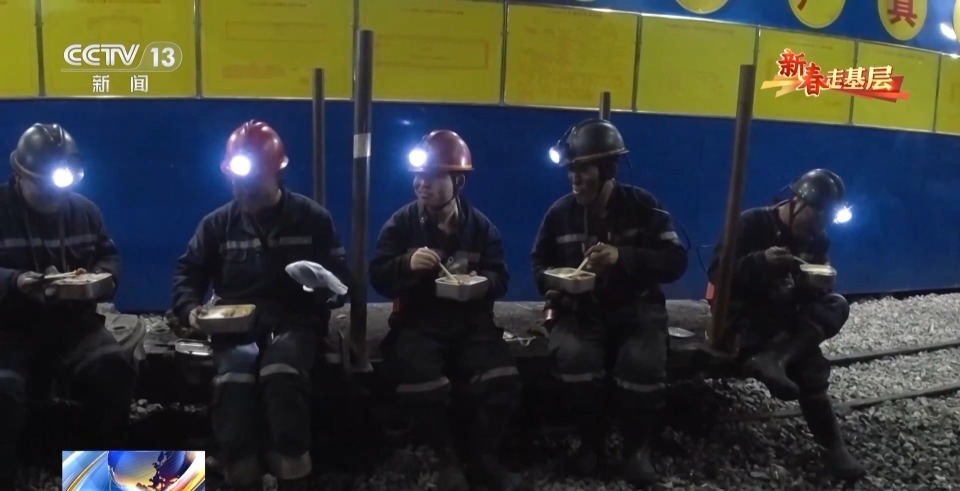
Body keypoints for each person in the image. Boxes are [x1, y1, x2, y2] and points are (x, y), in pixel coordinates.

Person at [171, 120, 351, 491]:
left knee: (282, 373)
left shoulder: (312, 219)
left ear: (276, 175)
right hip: (234, 324)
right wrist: (190, 310)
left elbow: (341, 284)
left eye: (252, 181)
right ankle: (242, 474)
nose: (242, 189)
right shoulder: (217, 225)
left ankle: (293, 475)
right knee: (233, 379)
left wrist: (324, 286)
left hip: (295, 320)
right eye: (236, 181)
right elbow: (188, 273)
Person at [531, 119, 688, 486]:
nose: (574, 178)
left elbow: (675, 261)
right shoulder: (560, 213)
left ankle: (636, 450)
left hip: (638, 311)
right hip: (580, 313)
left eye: (583, 169)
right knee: (574, 360)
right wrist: (555, 282)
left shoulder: (645, 208)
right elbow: (539, 266)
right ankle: (590, 443)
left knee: (642, 365)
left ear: (609, 169)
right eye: (571, 170)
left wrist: (622, 257)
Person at [370, 130, 522, 491]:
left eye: (433, 177)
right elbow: (378, 276)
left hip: (471, 322)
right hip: (417, 322)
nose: (422, 184)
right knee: (419, 377)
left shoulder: (481, 228)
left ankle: (484, 457)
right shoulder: (402, 224)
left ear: (458, 182)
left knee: (502, 376)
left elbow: (500, 278)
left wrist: (480, 284)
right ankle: (446, 459)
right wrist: (406, 265)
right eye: (418, 176)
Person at [707, 168, 865, 481]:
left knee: (837, 305)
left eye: (825, 221)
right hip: (744, 314)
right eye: (815, 218)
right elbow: (717, 273)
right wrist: (760, 262)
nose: (818, 228)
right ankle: (777, 358)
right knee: (810, 364)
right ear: (797, 203)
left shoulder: (817, 239)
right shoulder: (752, 223)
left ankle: (777, 359)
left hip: (784, 315)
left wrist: (816, 285)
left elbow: (810, 294)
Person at [0, 123, 133, 488]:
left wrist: (104, 279)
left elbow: (107, 255)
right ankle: (9, 475)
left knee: (113, 370)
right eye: (43, 186)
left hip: (73, 326)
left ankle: (99, 477)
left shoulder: (84, 212)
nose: (53, 195)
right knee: (4, 390)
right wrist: (14, 282)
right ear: (19, 175)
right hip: (9, 330)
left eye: (60, 185)